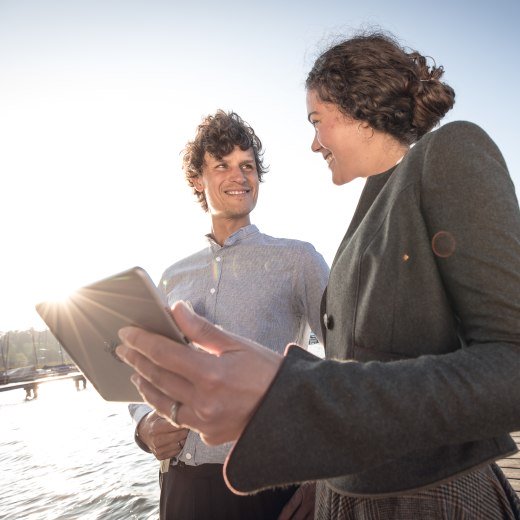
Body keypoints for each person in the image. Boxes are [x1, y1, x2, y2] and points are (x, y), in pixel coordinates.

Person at [117, 31, 520, 519]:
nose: (312, 143)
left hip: (428, 496)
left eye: (316, 121)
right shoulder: (367, 215)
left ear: (357, 105)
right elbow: (353, 368)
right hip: (340, 495)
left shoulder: (451, 151)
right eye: (222, 165)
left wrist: (294, 398)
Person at [128, 109, 329, 520]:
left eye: (248, 166)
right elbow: (143, 371)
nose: (239, 176)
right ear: (198, 180)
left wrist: (322, 477)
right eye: (222, 165)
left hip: (271, 487)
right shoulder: (171, 277)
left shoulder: (298, 260)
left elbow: (349, 365)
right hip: (181, 488)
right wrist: (144, 426)